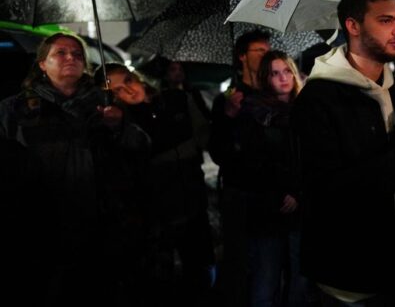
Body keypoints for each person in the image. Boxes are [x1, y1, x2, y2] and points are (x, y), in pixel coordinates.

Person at [291, 0, 395, 306]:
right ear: (353, 26)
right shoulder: (318, 98)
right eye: (385, 21)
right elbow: (324, 191)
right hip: (348, 277)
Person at [0, 33, 149, 306]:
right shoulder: (14, 109)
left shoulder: (104, 104)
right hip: (39, 230)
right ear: (43, 64)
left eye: (77, 54)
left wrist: (118, 126)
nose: (71, 57)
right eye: (61, 53)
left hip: (100, 229)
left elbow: (141, 146)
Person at [96, 63, 215, 304]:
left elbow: (206, 137)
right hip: (156, 215)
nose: (128, 91)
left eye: (128, 81)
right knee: (161, 280)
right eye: (116, 90)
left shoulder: (177, 99)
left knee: (202, 272)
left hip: (193, 203)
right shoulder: (120, 123)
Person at [237, 50, 309, 307]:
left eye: (287, 71)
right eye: (275, 73)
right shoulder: (255, 111)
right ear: (266, 78)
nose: (283, 78)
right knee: (267, 277)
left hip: (302, 207)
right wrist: (283, 192)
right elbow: (255, 161)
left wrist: (298, 191)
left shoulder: (306, 109)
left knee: (301, 280)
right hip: (269, 208)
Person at [208, 30, 271, 307]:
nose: (265, 55)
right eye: (259, 50)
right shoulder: (229, 98)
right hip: (239, 192)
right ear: (242, 56)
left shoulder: (275, 94)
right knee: (239, 261)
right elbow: (218, 151)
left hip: (271, 191)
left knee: (269, 263)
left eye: (268, 49)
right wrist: (229, 118)